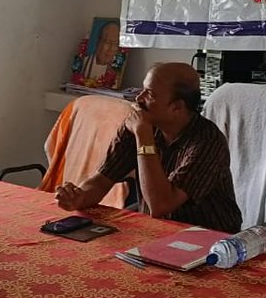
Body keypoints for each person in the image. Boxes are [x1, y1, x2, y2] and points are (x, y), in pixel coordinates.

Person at [56, 62, 242, 233]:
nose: (139, 98)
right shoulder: (140, 124)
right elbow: (102, 179)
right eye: (142, 89)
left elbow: (160, 205)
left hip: (210, 241)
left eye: (150, 94)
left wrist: (144, 137)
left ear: (177, 107)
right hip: (157, 232)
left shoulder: (207, 141)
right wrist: (79, 197)